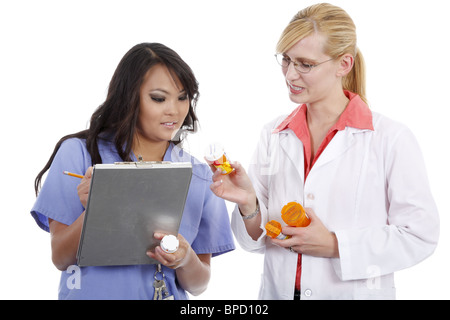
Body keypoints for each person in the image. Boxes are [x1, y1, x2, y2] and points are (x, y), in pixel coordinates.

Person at [209, 3, 439, 300]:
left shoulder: (390, 139)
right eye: (286, 60)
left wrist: (334, 244)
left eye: (305, 64)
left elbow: (420, 236)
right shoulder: (273, 135)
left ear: (344, 64)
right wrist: (248, 203)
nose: (290, 75)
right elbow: (256, 240)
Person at [31, 42, 235, 300]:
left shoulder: (199, 175)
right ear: (129, 97)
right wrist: (100, 205)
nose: (174, 110)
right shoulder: (79, 154)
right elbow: (61, 257)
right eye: (158, 98)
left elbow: (198, 284)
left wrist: (184, 258)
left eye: (183, 97)